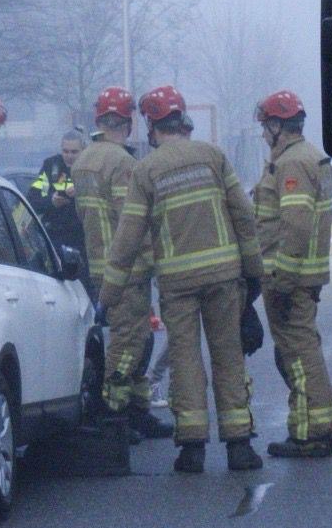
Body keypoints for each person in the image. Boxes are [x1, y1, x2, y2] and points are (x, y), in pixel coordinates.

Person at [101, 85, 265, 474]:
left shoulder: (146, 171)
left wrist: (108, 294)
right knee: (228, 355)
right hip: (225, 277)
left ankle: (192, 449)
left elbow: (128, 236)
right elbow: (244, 216)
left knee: (186, 360)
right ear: (183, 119)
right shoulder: (213, 156)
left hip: (177, 285)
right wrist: (254, 274)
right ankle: (239, 446)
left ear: (151, 125)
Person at [72, 87, 170, 440]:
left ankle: (138, 411)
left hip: (99, 265)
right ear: (128, 123)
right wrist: (154, 260)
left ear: (99, 120)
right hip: (127, 267)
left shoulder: (83, 160)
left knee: (136, 337)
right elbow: (132, 220)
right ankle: (117, 414)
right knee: (130, 342)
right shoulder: (123, 163)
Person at [252, 90, 332, 458]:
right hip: (301, 276)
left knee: (298, 354)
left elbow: (295, 225)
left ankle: (313, 432)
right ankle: (314, 424)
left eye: (265, 126)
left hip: (289, 277)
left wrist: (283, 280)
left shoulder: (292, 164)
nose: (262, 134)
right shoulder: (304, 157)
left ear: (277, 126)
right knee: (301, 350)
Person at [28, 129, 88, 256]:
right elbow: (34, 198)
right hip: (55, 237)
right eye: (65, 151)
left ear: (84, 150)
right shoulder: (51, 167)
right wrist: (51, 200)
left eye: (74, 152)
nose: (69, 156)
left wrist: (81, 192)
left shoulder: (90, 169)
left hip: (83, 237)